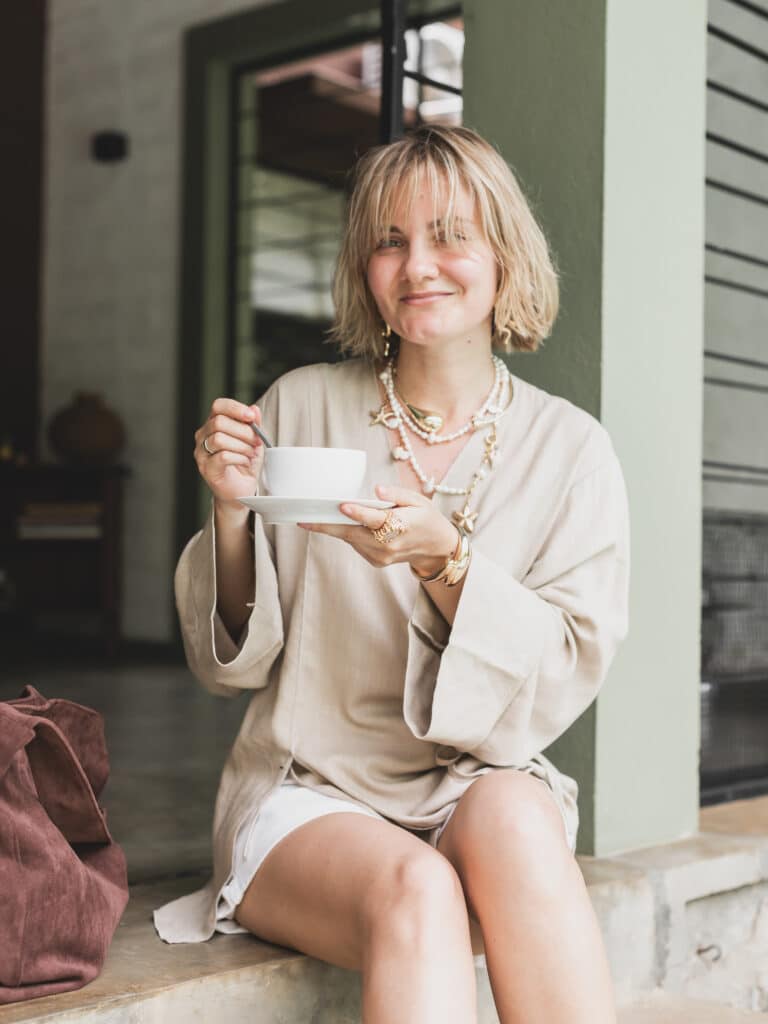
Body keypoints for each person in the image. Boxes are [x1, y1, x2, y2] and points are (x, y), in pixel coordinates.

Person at [153, 123, 630, 1024]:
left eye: (450, 236)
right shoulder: (298, 405)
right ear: (364, 267)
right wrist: (232, 512)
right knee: (418, 890)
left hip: (473, 779)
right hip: (306, 787)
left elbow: (566, 664)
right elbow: (230, 667)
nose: (418, 267)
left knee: (521, 821)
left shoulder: (571, 449)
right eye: (390, 241)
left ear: (503, 254)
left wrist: (447, 562)